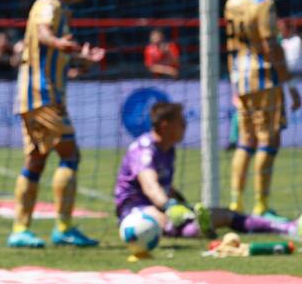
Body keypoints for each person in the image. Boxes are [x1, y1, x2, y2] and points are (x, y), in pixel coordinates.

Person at [8, 0, 105, 249]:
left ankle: (20, 229)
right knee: (70, 154)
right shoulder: (48, 5)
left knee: (36, 161)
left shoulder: (60, 9)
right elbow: (42, 32)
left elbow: (54, 55)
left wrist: (80, 62)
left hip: (37, 96)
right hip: (43, 96)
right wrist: (59, 42)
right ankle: (63, 227)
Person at [115, 101, 299, 243]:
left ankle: (287, 227)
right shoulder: (144, 150)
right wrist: (171, 206)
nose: (185, 126)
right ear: (165, 125)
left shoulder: (168, 148)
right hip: (134, 208)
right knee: (164, 223)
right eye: (181, 122)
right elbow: (151, 187)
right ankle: (192, 228)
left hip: (162, 205)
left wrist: (184, 205)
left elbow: (165, 186)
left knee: (225, 215)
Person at [224, 0, 300, 219]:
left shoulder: (232, 0)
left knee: (246, 140)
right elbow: (270, 45)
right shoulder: (264, 2)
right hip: (265, 78)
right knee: (269, 138)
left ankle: (235, 203)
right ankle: (261, 205)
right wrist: (289, 84)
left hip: (240, 77)